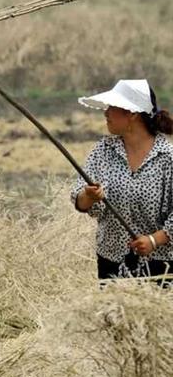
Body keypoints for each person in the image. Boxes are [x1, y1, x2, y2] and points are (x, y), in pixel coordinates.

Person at [71, 79, 173, 282]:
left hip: (160, 265)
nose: (105, 112)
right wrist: (90, 196)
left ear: (132, 113)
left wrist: (154, 240)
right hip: (111, 260)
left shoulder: (167, 157)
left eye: (112, 107)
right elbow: (79, 201)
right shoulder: (104, 151)